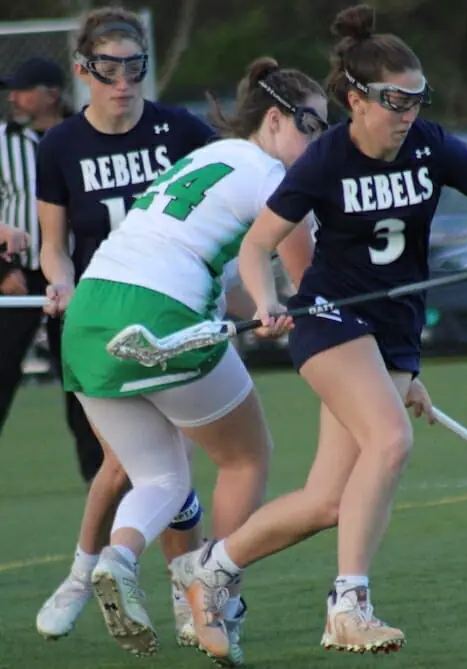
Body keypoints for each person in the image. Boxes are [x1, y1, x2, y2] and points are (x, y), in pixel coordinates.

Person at [170, 2, 467, 659]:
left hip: (395, 328)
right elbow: (257, 246)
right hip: (331, 316)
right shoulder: (325, 160)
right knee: (390, 441)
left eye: (417, 99)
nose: (408, 112)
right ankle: (348, 605)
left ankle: (209, 568)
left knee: (328, 501)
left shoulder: (432, 145)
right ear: (356, 99)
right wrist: (267, 299)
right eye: (395, 100)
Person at [56, 56, 327, 661]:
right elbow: (311, 283)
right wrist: (292, 307)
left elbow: (225, 280)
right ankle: (214, 594)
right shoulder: (275, 179)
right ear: (275, 119)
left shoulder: (207, 158)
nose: (318, 144)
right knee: (246, 457)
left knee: (162, 476)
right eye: (312, 127)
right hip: (161, 313)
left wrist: (266, 308)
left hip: (90, 314)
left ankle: (118, 558)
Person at [34, 6, 217, 648]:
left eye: (134, 67)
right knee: (126, 465)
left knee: (165, 463)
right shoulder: (60, 146)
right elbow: (53, 246)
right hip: (99, 326)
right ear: (83, 70)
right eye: (108, 69)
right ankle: (95, 578)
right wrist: (61, 281)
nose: (123, 82)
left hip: (172, 319)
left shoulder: (180, 131)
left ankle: (150, 589)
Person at [0, 57, 69, 435]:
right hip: (17, 275)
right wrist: (3, 270)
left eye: (24, 91)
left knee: (79, 375)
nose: (14, 98)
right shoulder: (2, 142)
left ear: (52, 94)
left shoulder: (80, 137)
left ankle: (98, 464)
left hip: (74, 273)